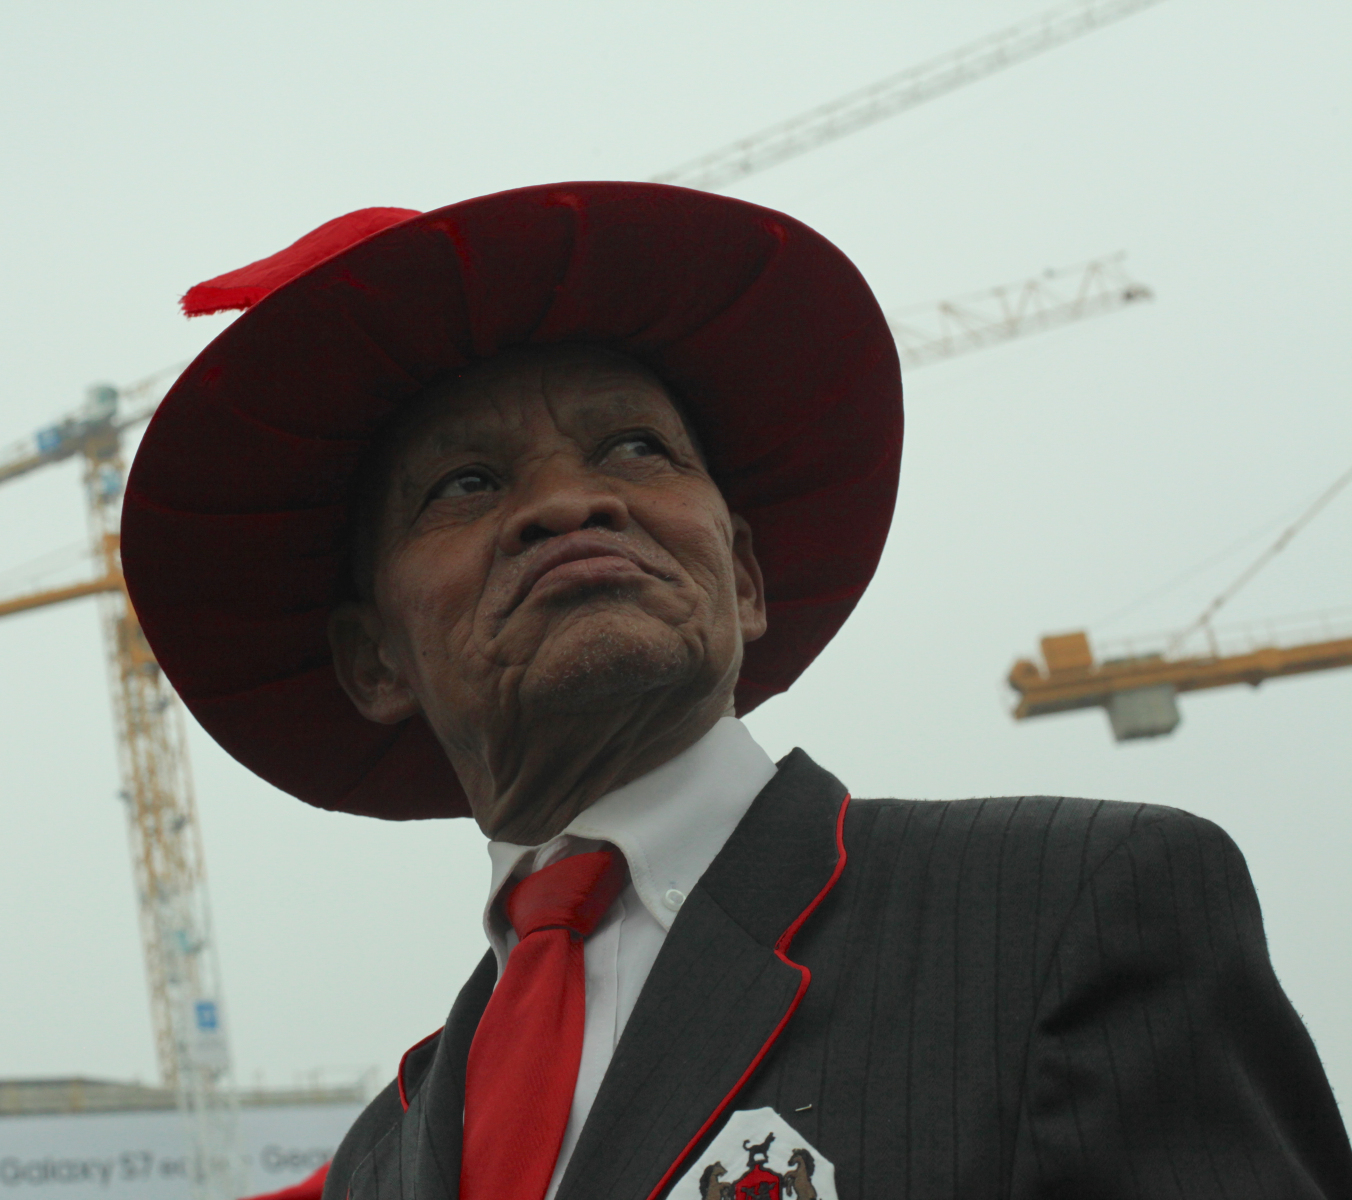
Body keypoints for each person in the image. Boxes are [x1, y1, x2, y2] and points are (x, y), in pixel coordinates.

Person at [120, 184, 1350, 1200]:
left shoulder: (1065, 916)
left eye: (635, 448)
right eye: (467, 484)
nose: (569, 502)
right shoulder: (381, 1164)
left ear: (745, 577)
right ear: (374, 661)